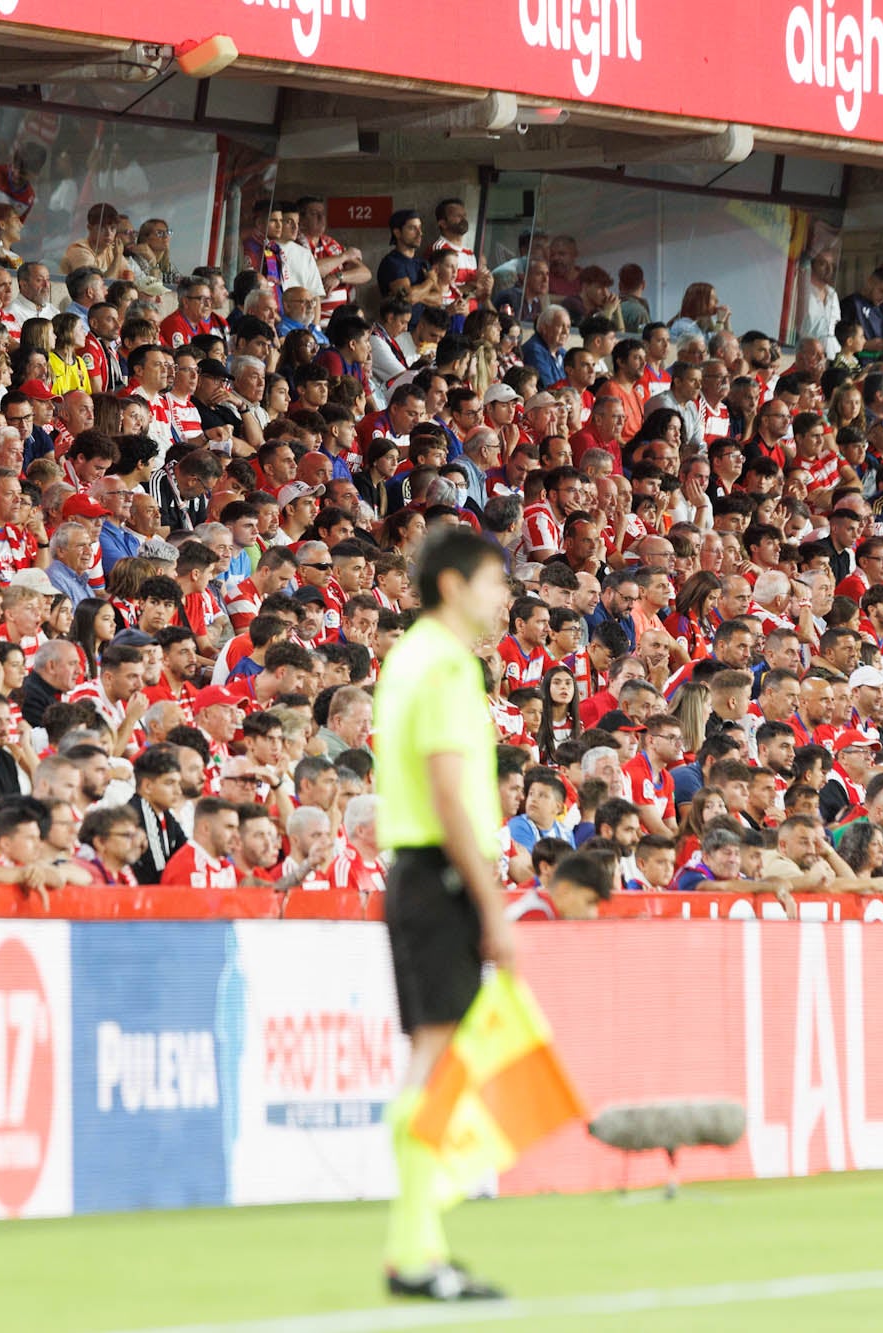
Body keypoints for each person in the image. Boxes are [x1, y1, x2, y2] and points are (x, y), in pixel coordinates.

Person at [372, 526, 513, 1302]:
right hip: (441, 875)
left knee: (435, 1057)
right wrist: (491, 902)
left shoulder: (409, 655)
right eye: (496, 581)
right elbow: (451, 790)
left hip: (418, 871)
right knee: (434, 1062)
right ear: (455, 584)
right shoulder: (448, 663)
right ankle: (416, 1249)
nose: (505, 597)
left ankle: (417, 1241)